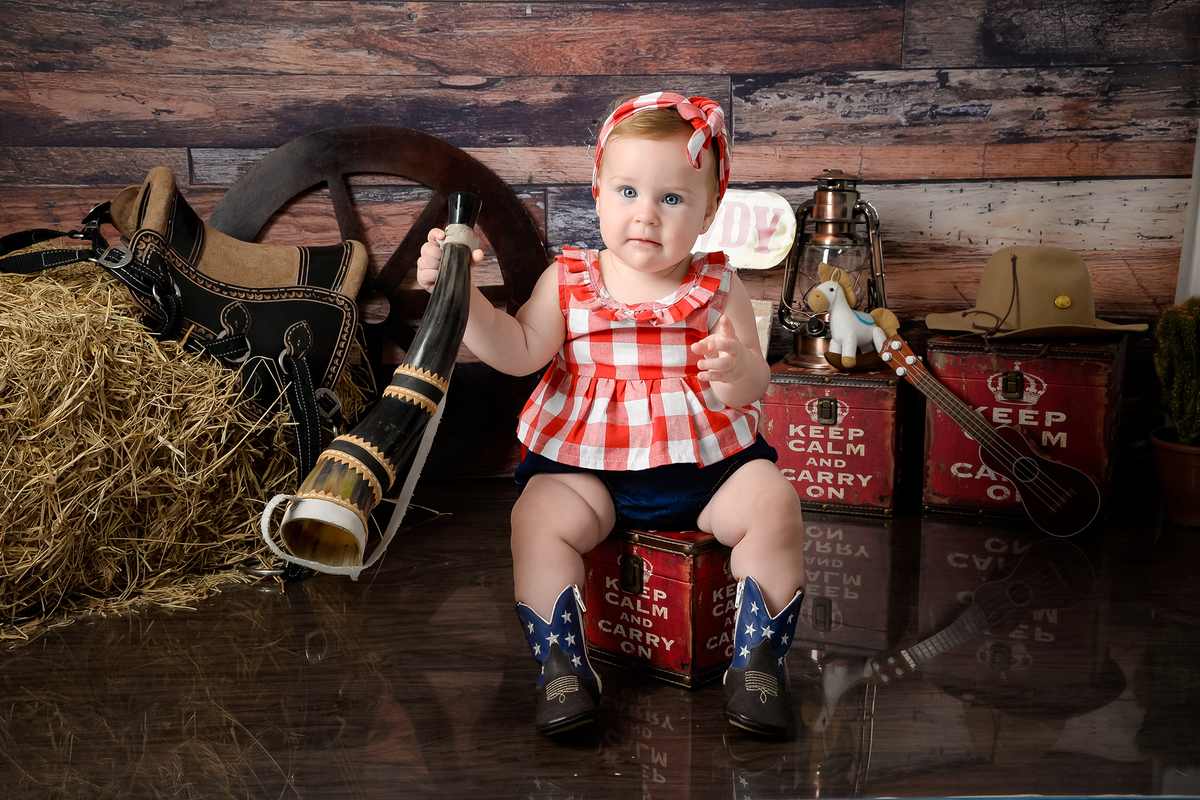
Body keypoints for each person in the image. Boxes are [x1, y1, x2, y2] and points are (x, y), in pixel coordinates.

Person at [417, 92, 805, 737]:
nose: (646, 216)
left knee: (773, 503)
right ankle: (563, 664)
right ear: (596, 192)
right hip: (586, 470)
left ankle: (759, 661)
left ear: (710, 210)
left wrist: (737, 371)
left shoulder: (718, 285)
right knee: (538, 517)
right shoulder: (569, 280)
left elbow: (756, 385)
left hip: (706, 470)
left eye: (672, 199)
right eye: (627, 192)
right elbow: (517, 353)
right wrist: (461, 301)